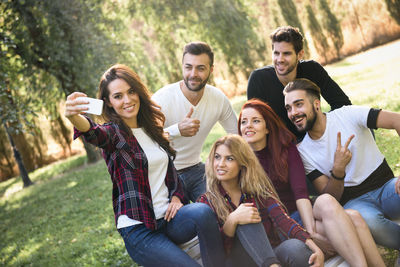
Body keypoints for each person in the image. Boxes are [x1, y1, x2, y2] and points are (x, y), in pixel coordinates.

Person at [64, 64, 226, 267]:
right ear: (109, 103)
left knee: (203, 212)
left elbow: (168, 171)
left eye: (131, 91)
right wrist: (73, 116)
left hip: (169, 219)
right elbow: (94, 132)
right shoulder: (114, 134)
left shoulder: (152, 129)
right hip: (140, 229)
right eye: (118, 96)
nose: (127, 100)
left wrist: (177, 196)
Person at [238, 98, 385, 267]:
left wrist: (310, 232)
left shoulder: (285, 149)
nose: (248, 125)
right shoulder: (240, 161)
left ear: (267, 128)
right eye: (244, 122)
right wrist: (308, 236)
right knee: (352, 221)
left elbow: (301, 193)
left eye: (255, 121)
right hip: (280, 225)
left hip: (302, 214)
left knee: (336, 207)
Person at [283, 78, 400, 250]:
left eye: (298, 104)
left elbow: (396, 120)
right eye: (288, 108)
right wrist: (338, 170)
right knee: (369, 222)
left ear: (316, 104)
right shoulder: (303, 151)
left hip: (386, 187)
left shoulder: (347, 114)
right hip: (356, 204)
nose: (293, 112)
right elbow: (330, 198)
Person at [198, 134, 325, 267]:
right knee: (245, 215)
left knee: (296, 249)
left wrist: (316, 249)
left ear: (242, 163)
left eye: (229, 158)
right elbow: (215, 251)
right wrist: (232, 221)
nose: (221, 164)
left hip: (270, 253)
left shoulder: (258, 191)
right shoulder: (207, 202)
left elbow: (284, 221)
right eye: (217, 157)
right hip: (238, 262)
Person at [152, 41, 237, 202]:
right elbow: (143, 140)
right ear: (182, 67)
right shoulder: (161, 99)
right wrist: (177, 130)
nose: (193, 74)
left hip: (197, 170)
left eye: (201, 68)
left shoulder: (217, 98)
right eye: (188, 67)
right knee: (184, 221)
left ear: (211, 70)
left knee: (222, 205)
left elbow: (238, 136)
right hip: (165, 174)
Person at [247, 25, 351, 140]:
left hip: (317, 137)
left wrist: (323, 129)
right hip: (284, 147)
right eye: (276, 53)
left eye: (286, 53)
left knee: (357, 125)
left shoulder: (312, 70)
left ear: (300, 54)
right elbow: (255, 126)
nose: (280, 59)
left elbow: (342, 105)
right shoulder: (258, 79)